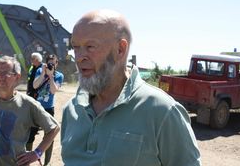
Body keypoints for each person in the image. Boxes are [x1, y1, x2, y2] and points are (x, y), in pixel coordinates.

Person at [61, 10, 201, 166]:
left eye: (90, 46)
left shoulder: (162, 111)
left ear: (120, 49)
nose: (80, 57)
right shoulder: (71, 110)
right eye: (76, 47)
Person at [27, 54, 64, 165]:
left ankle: (47, 163)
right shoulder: (39, 71)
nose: (52, 65)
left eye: (54, 62)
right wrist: (43, 73)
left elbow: (53, 91)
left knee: (49, 135)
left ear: (57, 64)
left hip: (49, 108)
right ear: (46, 63)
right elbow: (34, 85)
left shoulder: (59, 76)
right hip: (37, 107)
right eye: (50, 62)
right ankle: (27, 160)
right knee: (30, 134)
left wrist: (51, 76)